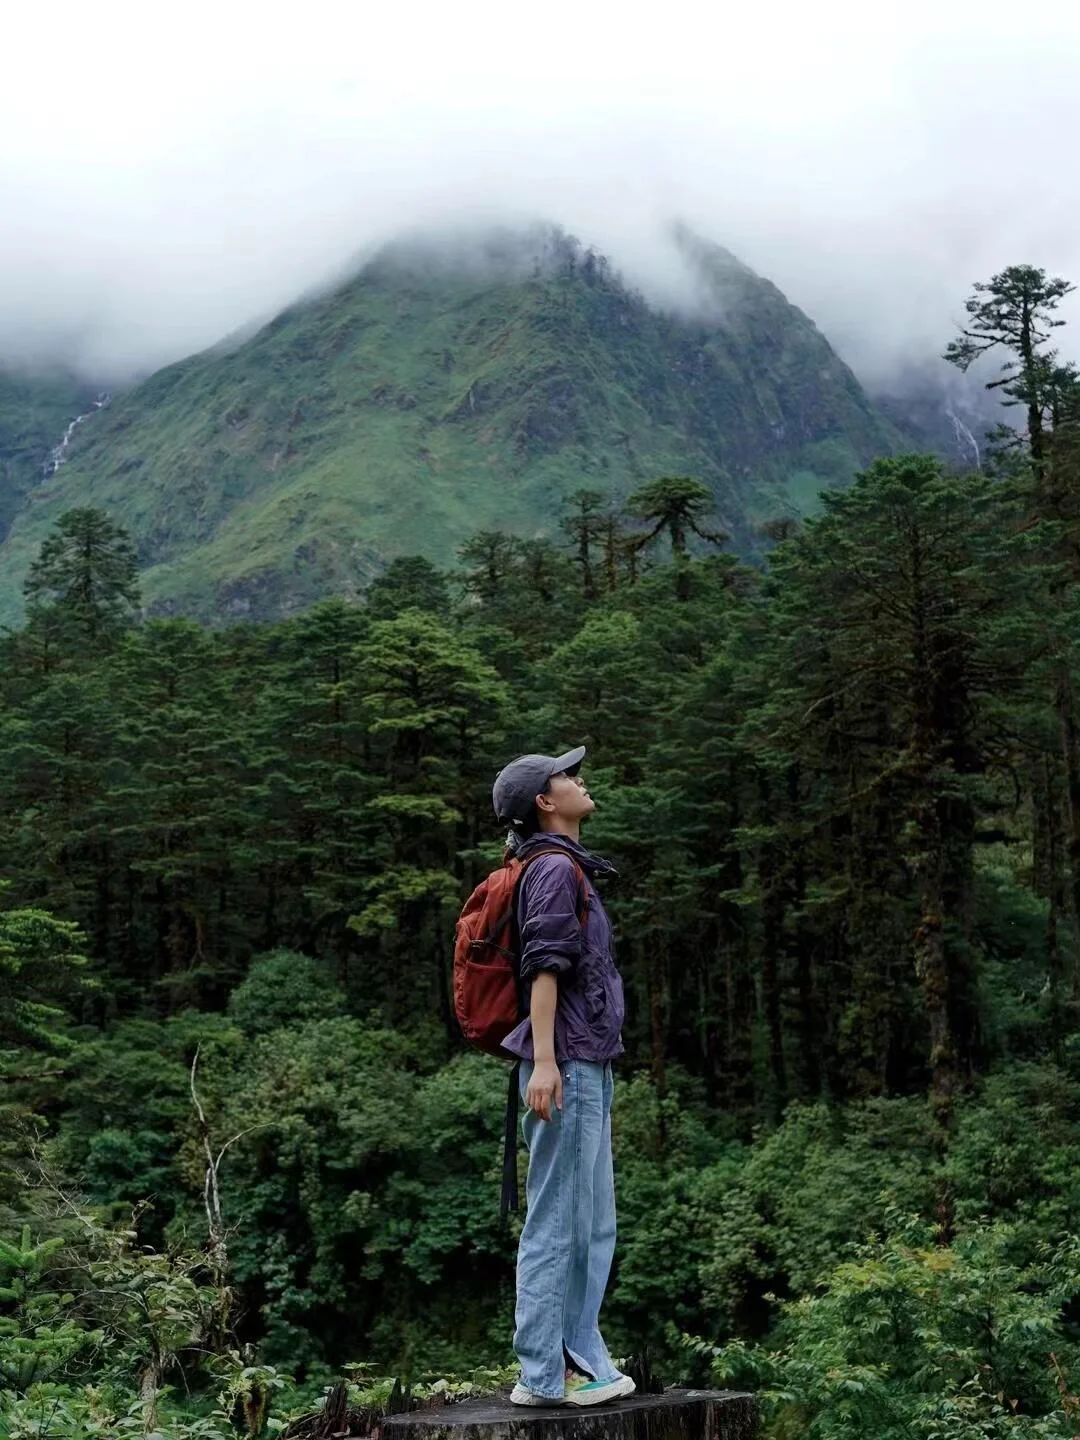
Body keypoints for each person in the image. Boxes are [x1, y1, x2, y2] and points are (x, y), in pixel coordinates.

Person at [491, 745, 635, 1409]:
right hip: (564, 1061)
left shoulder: (566, 867)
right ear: (545, 802)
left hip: (586, 1060)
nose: (580, 780)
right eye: (567, 776)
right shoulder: (551, 870)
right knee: (559, 1220)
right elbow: (542, 970)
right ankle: (548, 1374)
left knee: (592, 1220)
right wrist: (544, 1061)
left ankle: (580, 1352)